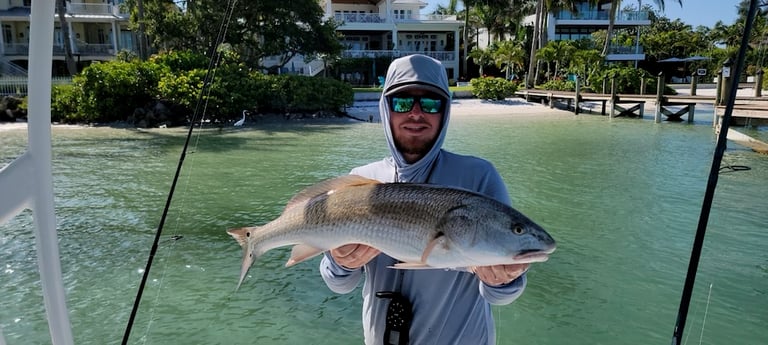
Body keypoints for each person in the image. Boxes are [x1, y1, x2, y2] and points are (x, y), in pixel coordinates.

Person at [319, 54, 529, 345]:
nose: (416, 113)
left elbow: (501, 294)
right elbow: (338, 283)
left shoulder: (479, 177)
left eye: (430, 103)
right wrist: (342, 261)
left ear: (444, 112)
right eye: (402, 102)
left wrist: (504, 279)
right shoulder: (360, 182)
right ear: (386, 109)